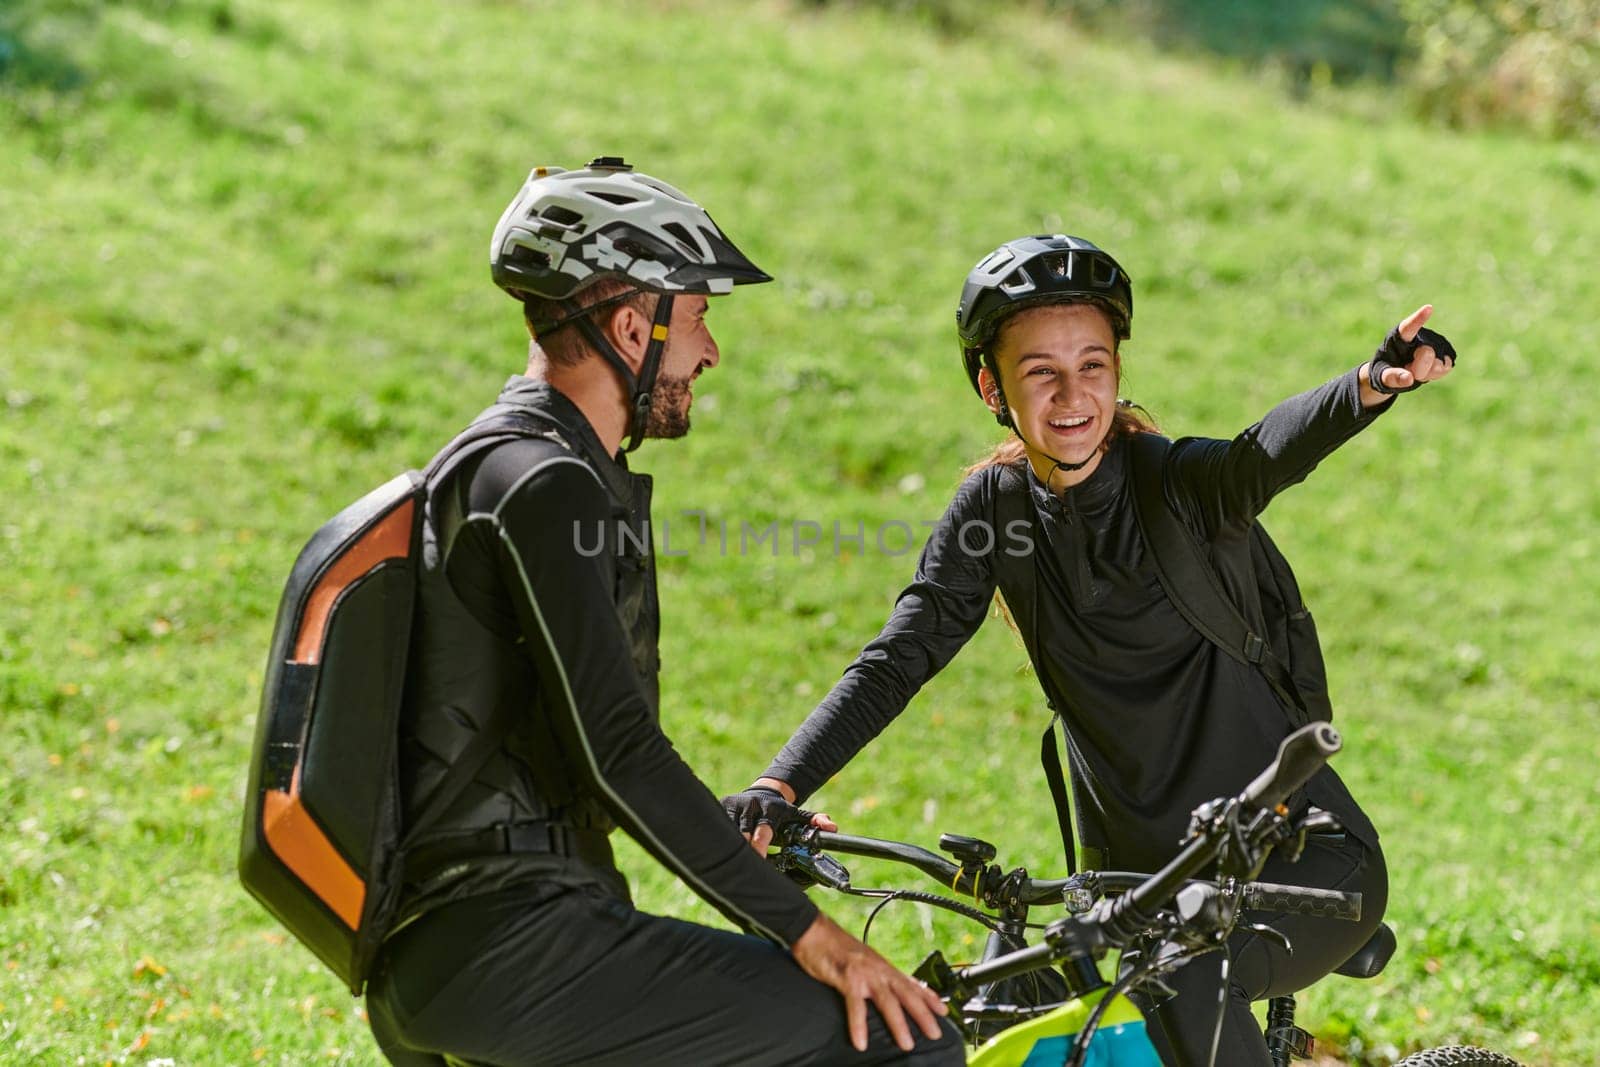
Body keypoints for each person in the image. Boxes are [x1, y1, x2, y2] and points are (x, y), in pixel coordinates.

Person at [723, 234, 1457, 1066]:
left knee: (1182, 978)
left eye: (1093, 365)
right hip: (1130, 891)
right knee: (980, 1012)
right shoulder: (993, 513)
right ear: (990, 386)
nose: (1073, 394)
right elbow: (901, 654)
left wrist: (1366, 387)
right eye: (1041, 371)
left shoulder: (1175, 485)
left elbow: (1263, 456)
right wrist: (778, 782)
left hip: (1301, 863)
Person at [365, 157, 961, 1067]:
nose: (709, 352)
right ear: (631, 325)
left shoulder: (511, 469)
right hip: (511, 943)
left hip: (483, 942)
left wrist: (728, 823)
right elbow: (620, 754)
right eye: (699, 318)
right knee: (902, 1039)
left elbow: (557, 750)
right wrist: (816, 937)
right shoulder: (539, 481)